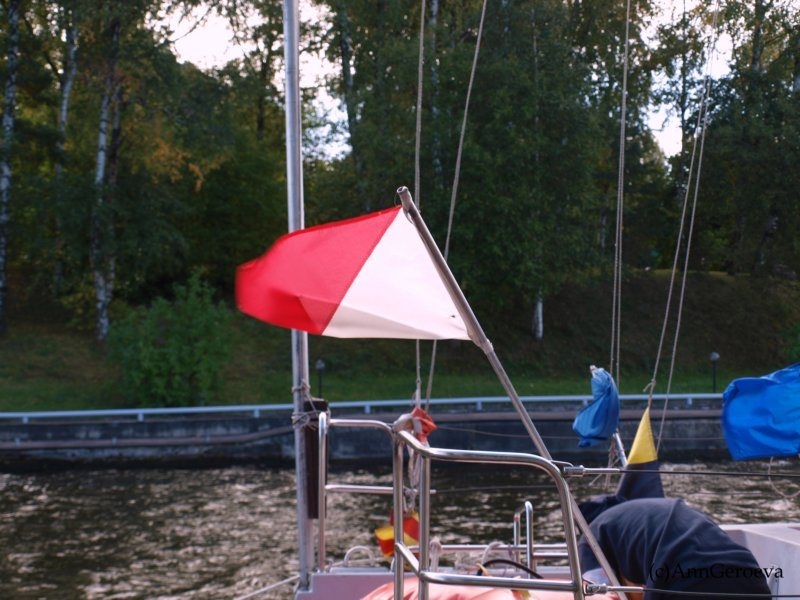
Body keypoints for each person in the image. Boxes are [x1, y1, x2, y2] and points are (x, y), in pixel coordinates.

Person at [578, 496, 773, 600]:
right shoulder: (648, 513)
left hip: (686, 583)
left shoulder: (592, 534)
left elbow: (603, 595)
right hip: (751, 576)